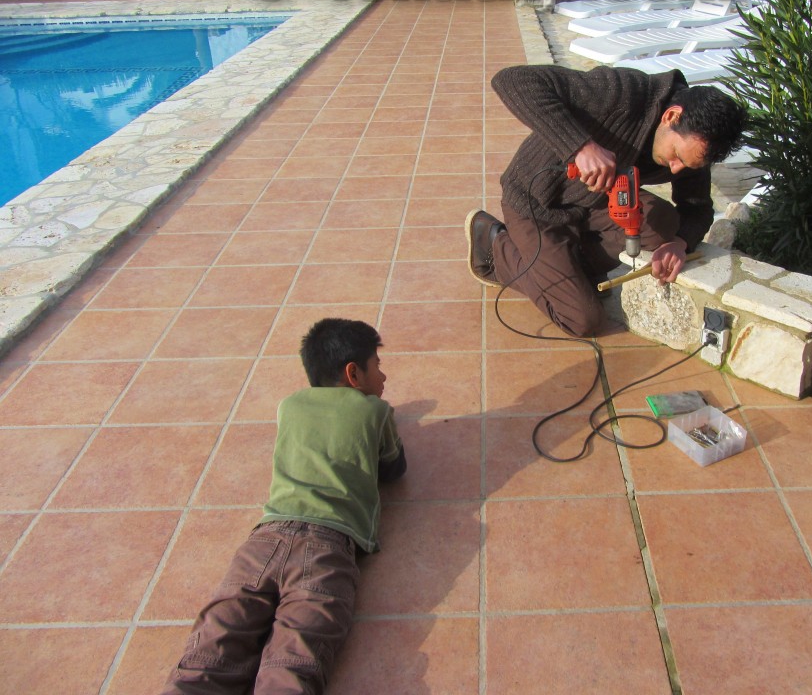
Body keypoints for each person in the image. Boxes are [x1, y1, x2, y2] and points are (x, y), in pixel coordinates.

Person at [161, 318, 406, 695]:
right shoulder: (375, 410)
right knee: (297, 653)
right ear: (353, 374)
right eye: (378, 365)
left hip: (264, 540)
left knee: (218, 637)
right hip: (327, 545)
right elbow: (394, 468)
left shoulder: (289, 405)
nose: (384, 376)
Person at [465, 64, 746, 337]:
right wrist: (580, 146)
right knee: (583, 319)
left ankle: (566, 270)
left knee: (664, 223)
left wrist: (680, 243)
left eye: (687, 165)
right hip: (538, 204)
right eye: (677, 156)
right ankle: (495, 244)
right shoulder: (622, 93)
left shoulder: (697, 143)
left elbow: (697, 208)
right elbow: (512, 80)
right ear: (671, 116)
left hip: (594, 204)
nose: (675, 170)